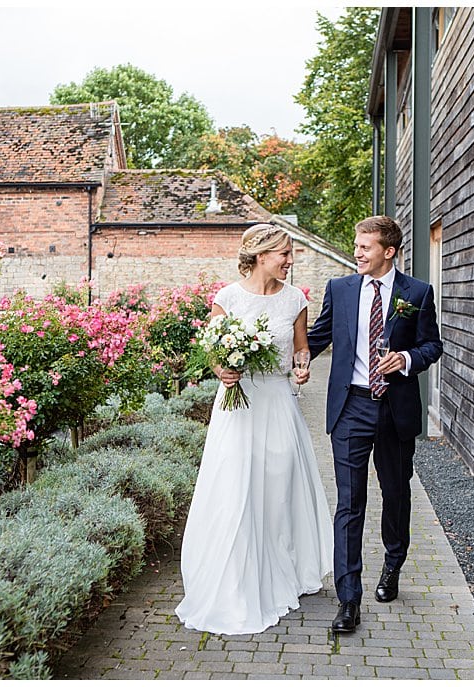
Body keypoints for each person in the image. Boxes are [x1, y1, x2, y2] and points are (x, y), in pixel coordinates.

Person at [175, 223, 333, 635]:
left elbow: (302, 346)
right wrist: (221, 371)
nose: (290, 260)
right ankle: (235, 579)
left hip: (278, 401)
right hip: (238, 405)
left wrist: (301, 367)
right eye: (285, 253)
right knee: (236, 487)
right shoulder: (227, 298)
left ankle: (283, 569)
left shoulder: (295, 299)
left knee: (278, 489)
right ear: (261, 254)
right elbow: (212, 351)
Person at [307, 215, 443, 633]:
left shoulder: (416, 292)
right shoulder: (340, 289)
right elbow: (316, 338)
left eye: (365, 247)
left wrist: (405, 360)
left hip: (395, 409)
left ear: (389, 251)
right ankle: (349, 599)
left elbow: (432, 345)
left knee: (396, 493)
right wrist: (268, 358)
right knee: (349, 503)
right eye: (356, 244)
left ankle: (393, 565)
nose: (357, 252)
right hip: (351, 407)